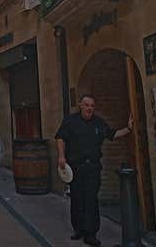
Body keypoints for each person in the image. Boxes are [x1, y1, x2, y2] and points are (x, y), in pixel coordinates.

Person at [55, 94, 132, 246]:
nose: (89, 108)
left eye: (92, 106)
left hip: (93, 168)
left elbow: (112, 134)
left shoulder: (98, 123)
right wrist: (61, 157)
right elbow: (60, 138)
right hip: (76, 168)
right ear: (80, 105)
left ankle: (90, 234)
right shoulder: (70, 121)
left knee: (91, 200)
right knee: (77, 199)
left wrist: (128, 129)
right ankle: (79, 229)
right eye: (87, 105)